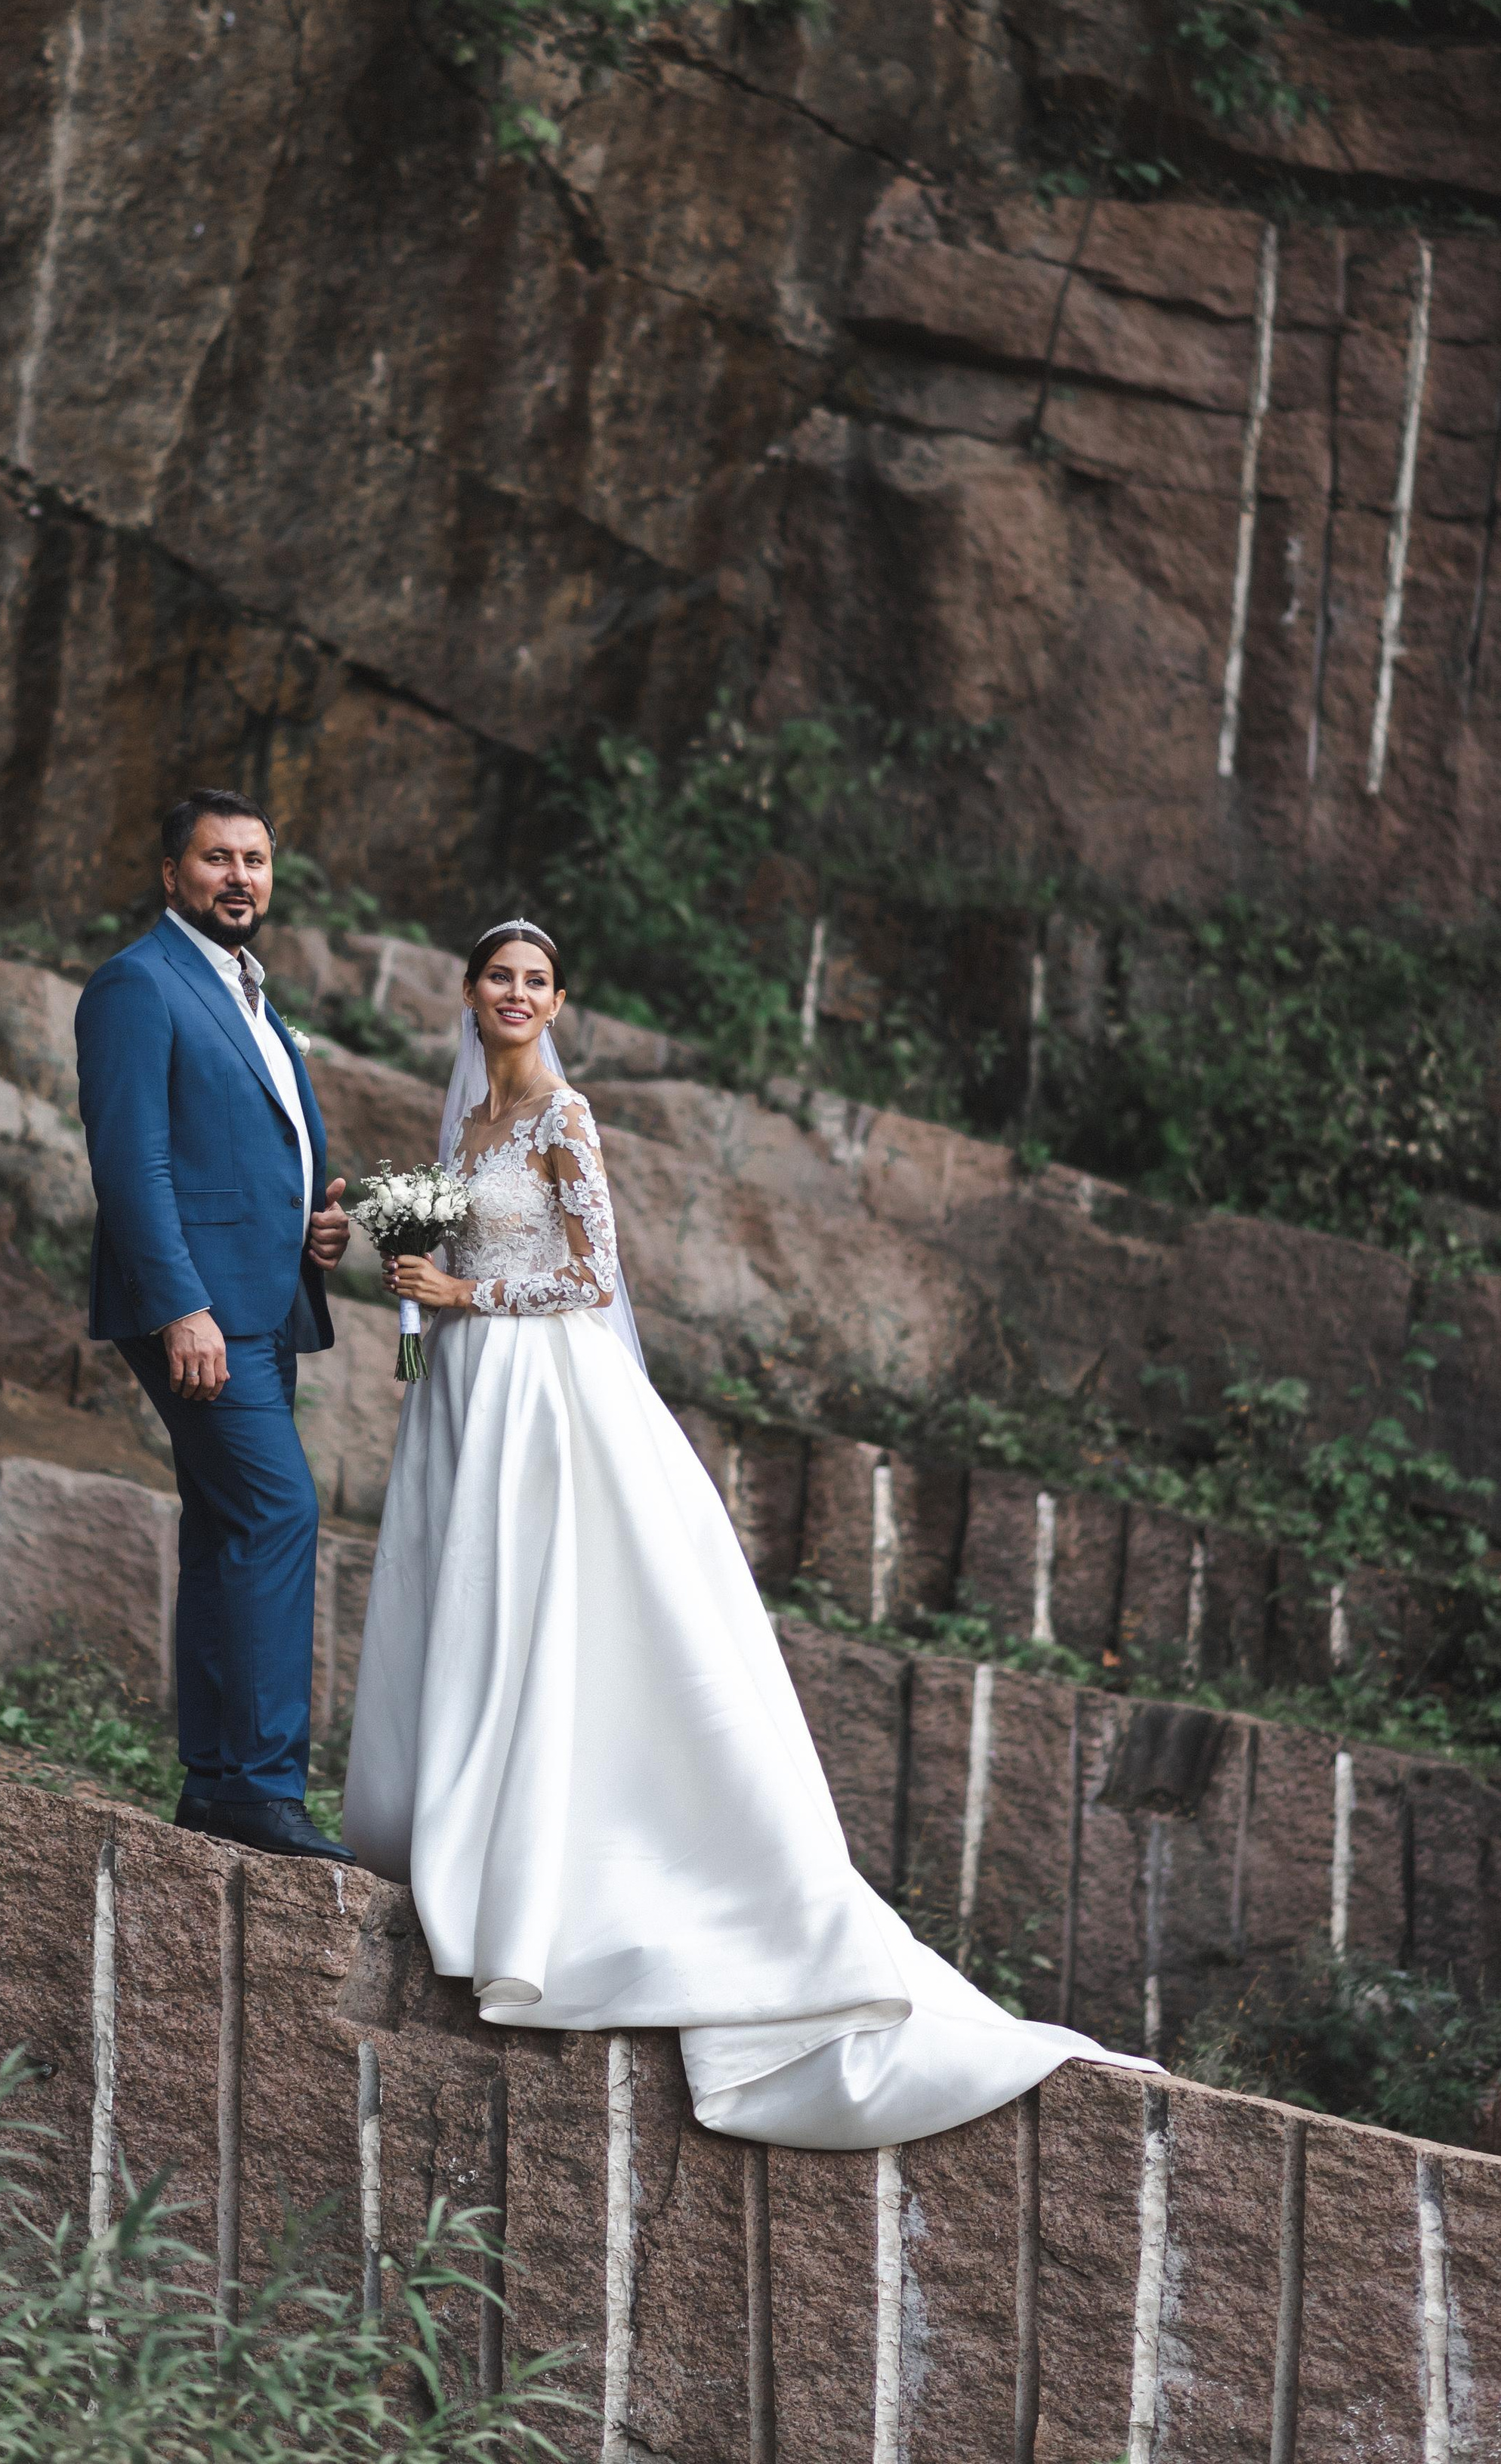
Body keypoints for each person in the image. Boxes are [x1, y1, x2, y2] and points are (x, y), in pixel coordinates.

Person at [343, 919, 1150, 2150]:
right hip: (468, 1390)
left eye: (535, 981)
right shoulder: (468, 1127)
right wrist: (417, 1307)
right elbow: (441, 1279)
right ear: (468, 993)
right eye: (497, 978)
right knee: (474, 1599)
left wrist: (466, 1293)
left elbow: (593, 1276)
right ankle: (476, 1819)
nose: (514, 996)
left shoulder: (565, 1115)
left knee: (556, 1607)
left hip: (549, 1395)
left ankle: (600, 1872)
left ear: (560, 999)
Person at [76, 788, 354, 1863]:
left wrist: (309, 1225)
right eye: (216, 858)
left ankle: (216, 1781)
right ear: (169, 872)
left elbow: (248, 1141)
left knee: (229, 1529)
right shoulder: (138, 985)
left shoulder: (249, 994)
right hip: (201, 1310)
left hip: (261, 1298)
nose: (240, 876)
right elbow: (131, 1162)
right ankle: (262, 1784)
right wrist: (180, 1303)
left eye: (256, 860)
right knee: (281, 1511)